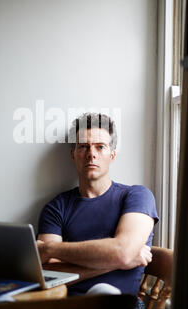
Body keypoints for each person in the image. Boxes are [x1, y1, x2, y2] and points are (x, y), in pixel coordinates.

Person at [37, 112, 159, 297]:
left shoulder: (137, 196)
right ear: (73, 154)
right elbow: (48, 275)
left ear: (112, 154)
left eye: (100, 147)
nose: (91, 154)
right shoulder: (56, 208)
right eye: (83, 146)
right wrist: (117, 261)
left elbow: (123, 252)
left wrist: (50, 249)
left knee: (105, 293)